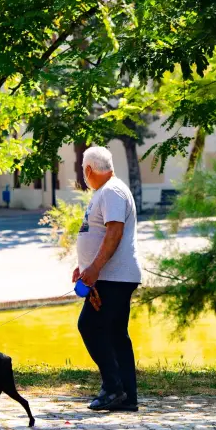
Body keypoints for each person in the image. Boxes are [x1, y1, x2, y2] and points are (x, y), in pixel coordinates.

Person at [73, 145, 142, 411]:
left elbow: (114, 232)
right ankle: (127, 396)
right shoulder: (106, 191)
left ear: (88, 169)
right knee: (115, 334)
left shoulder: (111, 190)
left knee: (89, 326)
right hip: (109, 275)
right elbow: (99, 233)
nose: (83, 174)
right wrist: (84, 267)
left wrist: (95, 268)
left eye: (83, 169)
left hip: (113, 277)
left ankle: (113, 388)